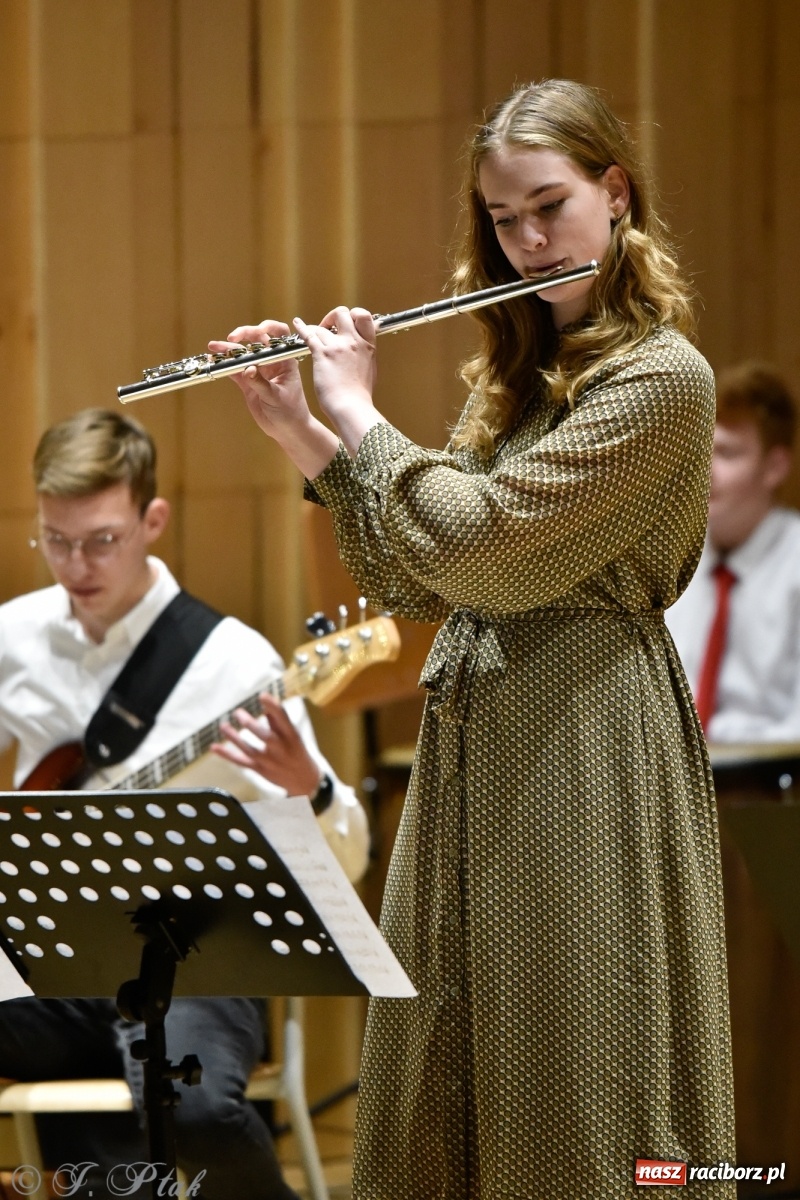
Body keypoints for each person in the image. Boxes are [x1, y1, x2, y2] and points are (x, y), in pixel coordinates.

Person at [213, 79, 736, 1198]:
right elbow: (421, 573)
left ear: (614, 192)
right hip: (479, 735)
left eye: (549, 207)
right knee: (440, 1059)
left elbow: (487, 545)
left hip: (585, 739)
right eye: (503, 220)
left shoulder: (662, 378)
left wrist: (359, 413)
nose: (528, 241)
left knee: (574, 1064)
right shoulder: (516, 383)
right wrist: (302, 430)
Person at [0, 407, 370, 1200]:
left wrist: (308, 785)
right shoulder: (15, 638)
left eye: (102, 539)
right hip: (54, 963)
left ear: (153, 520)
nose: (76, 565)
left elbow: (350, 859)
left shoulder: (234, 662)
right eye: (56, 540)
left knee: (198, 1112)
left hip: (196, 962)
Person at [666, 361, 800, 743]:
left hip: (770, 774)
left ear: (774, 467)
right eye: (702, 450)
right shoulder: (671, 556)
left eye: (726, 454)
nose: (705, 470)